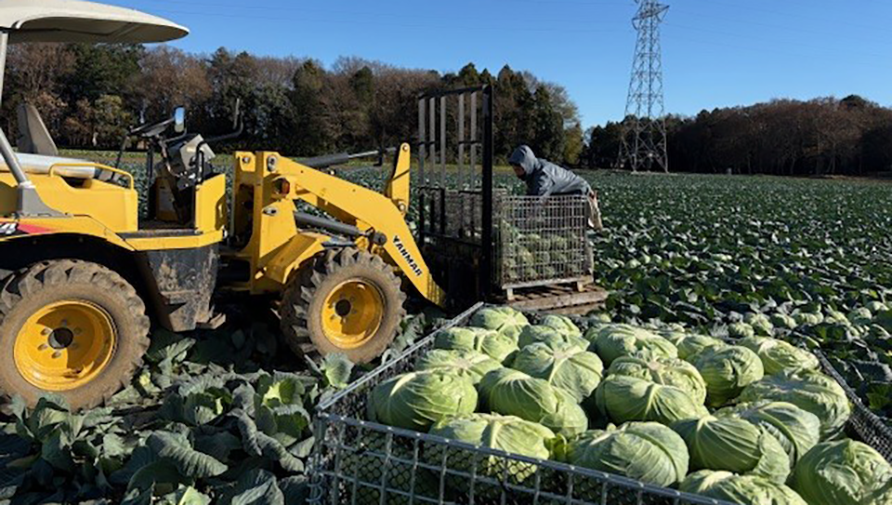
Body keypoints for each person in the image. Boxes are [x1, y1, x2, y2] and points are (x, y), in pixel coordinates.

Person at [508, 145, 603, 230]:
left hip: (579, 194)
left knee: (576, 229)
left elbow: (537, 202)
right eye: (514, 170)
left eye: (518, 170)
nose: (516, 173)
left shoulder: (543, 176)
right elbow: (529, 198)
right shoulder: (533, 169)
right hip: (565, 195)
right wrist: (517, 215)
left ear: (526, 166)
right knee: (559, 225)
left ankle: (586, 246)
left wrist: (518, 223)